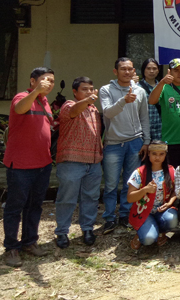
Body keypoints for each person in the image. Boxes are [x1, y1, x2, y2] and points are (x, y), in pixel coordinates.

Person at [2, 67, 55, 267]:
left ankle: (29, 242)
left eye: (52, 80)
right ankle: (11, 248)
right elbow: (19, 109)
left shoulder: (45, 101)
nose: (49, 83)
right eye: (45, 79)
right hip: (20, 165)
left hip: (43, 164)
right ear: (33, 81)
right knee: (15, 207)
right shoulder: (22, 97)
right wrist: (35, 92)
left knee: (35, 206)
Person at [100, 57, 151, 235]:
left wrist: (146, 141)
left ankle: (125, 215)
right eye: (123, 69)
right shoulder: (106, 90)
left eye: (130, 69)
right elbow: (107, 112)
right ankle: (109, 218)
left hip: (135, 142)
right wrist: (123, 100)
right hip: (113, 143)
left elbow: (144, 117)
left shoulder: (140, 91)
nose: (127, 72)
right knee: (111, 184)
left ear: (134, 71)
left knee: (131, 182)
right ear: (116, 71)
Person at [54, 76, 102, 249]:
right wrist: (88, 100)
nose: (89, 92)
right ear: (75, 92)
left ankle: (87, 229)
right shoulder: (69, 105)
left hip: (93, 162)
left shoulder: (94, 110)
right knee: (67, 198)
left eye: (91, 89)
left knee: (91, 197)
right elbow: (74, 111)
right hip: (72, 162)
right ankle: (62, 232)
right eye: (84, 89)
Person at [127, 141, 178, 249]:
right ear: (149, 154)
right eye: (154, 154)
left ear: (165, 155)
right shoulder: (139, 172)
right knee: (148, 239)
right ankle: (142, 232)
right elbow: (130, 198)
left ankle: (160, 231)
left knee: (172, 220)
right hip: (143, 211)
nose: (157, 157)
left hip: (162, 210)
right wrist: (145, 190)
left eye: (161, 154)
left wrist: (169, 203)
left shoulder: (171, 170)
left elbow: (176, 190)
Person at [138, 58, 163, 141]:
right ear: (143, 70)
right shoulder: (137, 87)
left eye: (154, 68)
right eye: (148, 68)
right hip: (143, 130)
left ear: (158, 70)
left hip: (161, 129)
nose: (151, 71)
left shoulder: (163, 86)